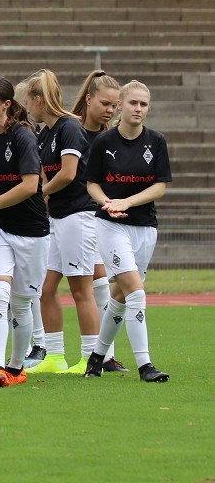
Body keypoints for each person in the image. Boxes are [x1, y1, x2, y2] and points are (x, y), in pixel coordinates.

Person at [83, 80, 170, 382]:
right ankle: (145, 365)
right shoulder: (104, 143)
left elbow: (159, 186)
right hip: (110, 226)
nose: (138, 109)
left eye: (144, 104)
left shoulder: (156, 141)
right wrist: (107, 202)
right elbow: (91, 182)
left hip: (145, 229)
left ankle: (95, 358)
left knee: (119, 296)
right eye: (133, 103)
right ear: (120, 105)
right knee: (135, 291)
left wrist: (128, 201)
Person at [17, 69, 103, 375]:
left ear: (39, 99)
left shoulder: (69, 127)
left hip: (78, 216)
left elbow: (67, 173)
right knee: (46, 288)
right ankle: (54, 356)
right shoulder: (45, 133)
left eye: (28, 100)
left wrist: (39, 194)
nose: (26, 107)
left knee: (81, 290)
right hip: (58, 219)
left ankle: (91, 359)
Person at [0, 76, 50, 388]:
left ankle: (17, 367)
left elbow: (31, 186)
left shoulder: (23, 136)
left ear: (5, 104)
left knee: (21, 302)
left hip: (32, 231)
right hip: (0, 229)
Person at [71, 70, 129, 373]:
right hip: (74, 215)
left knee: (103, 284)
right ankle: (41, 348)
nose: (109, 110)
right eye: (105, 104)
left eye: (114, 105)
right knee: (43, 287)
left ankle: (104, 354)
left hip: (101, 217)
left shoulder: (112, 138)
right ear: (89, 99)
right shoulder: (73, 131)